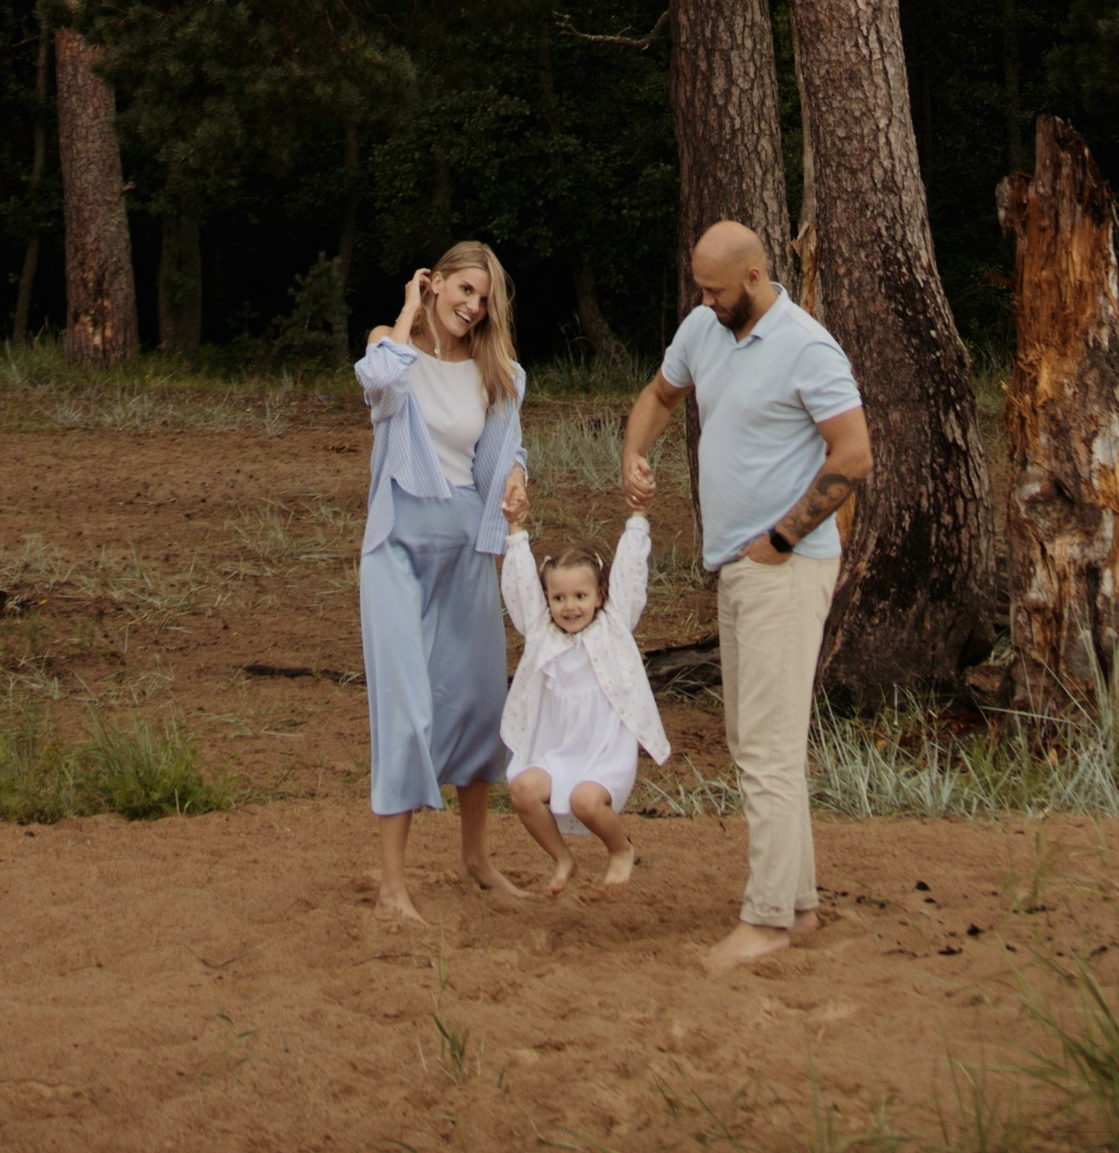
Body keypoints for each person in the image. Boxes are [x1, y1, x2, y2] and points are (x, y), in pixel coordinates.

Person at [622, 218, 871, 974]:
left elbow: (853, 452)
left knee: (764, 746)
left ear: (755, 278)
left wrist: (785, 538)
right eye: (699, 287)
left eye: (715, 288)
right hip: (734, 566)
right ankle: (797, 901)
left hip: (786, 569)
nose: (703, 299)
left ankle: (766, 922)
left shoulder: (806, 346)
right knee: (756, 741)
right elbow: (661, 396)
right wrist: (635, 452)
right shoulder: (705, 329)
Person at [357, 242, 532, 923]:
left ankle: (476, 860)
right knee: (405, 706)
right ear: (433, 283)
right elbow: (381, 385)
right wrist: (405, 313)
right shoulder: (390, 344)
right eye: (463, 289)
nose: (473, 306)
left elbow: (504, 452)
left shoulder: (498, 372)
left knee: (478, 699)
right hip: (397, 540)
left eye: (484, 298)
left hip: (466, 543)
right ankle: (392, 882)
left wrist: (516, 485)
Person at [498, 511, 669, 893]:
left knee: (586, 802)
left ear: (600, 596)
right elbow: (521, 586)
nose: (570, 606)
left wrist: (639, 518)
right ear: (547, 600)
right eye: (559, 598)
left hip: (604, 755)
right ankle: (563, 859)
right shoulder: (542, 633)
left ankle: (620, 848)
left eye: (580, 596)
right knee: (524, 790)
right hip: (557, 751)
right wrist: (515, 531)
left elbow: (629, 571)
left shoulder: (614, 628)